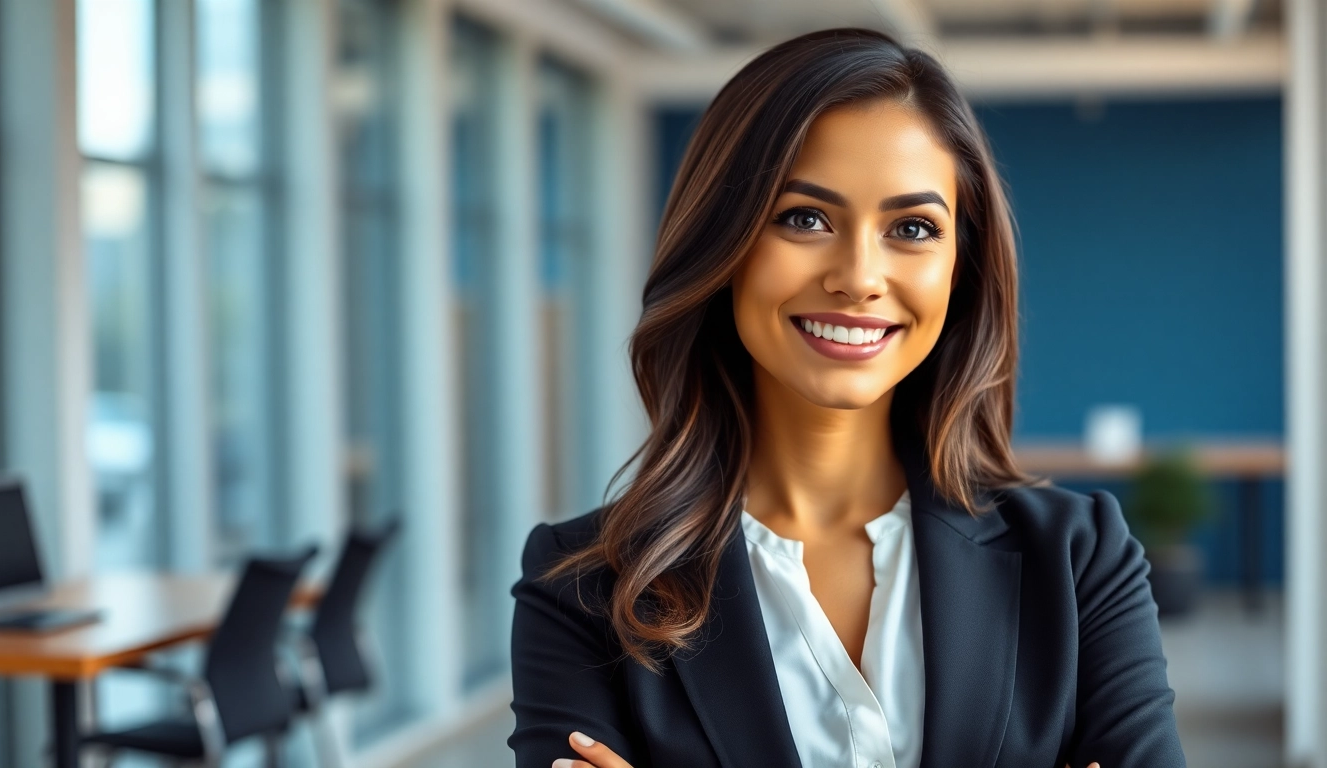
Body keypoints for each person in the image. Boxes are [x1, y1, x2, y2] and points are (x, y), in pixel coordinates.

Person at [508, 26, 1185, 768]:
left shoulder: (1081, 559)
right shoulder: (581, 588)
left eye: (913, 228)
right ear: (723, 244)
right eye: (805, 218)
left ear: (961, 268)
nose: (859, 275)